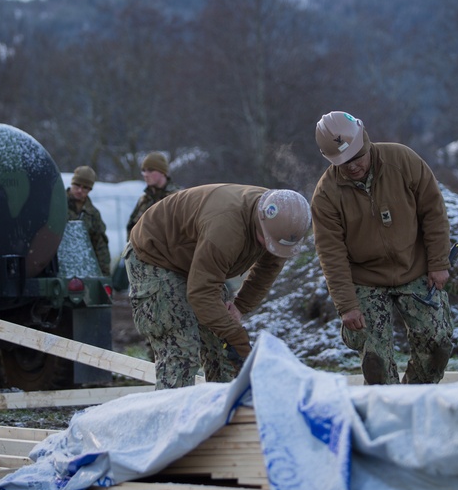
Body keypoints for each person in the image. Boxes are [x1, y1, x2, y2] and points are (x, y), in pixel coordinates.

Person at [310, 111, 453, 385]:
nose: (351, 167)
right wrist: (347, 306)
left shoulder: (403, 160)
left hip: (415, 267)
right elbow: (331, 255)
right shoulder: (326, 195)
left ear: (365, 141)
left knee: (437, 344)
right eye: (343, 162)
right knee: (374, 361)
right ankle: (386, 406)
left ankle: (414, 398)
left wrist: (438, 262)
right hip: (365, 279)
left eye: (356, 158)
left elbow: (433, 211)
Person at [126, 184, 311, 389]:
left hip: (198, 258)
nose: (270, 248)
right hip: (156, 255)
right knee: (182, 349)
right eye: (267, 241)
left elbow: (267, 271)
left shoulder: (283, 222)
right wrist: (237, 337)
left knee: (222, 350)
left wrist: (239, 307)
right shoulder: (226, 228)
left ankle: (225, 412)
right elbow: (201, 294)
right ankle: (173, 416)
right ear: (260, 220)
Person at [67, 166, 111, 276]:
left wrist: (104, 274)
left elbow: (100, 245)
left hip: (85, 268)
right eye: (77, 185)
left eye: (85, 188)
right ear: (72, 184)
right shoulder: (57, 206)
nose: (80, 190)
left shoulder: (93, 214)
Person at [125, 152, 181, 238]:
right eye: (144, 170)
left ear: (163, 172)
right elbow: (131, 230)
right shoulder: (144, 200)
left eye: (151, 170)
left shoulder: (177, 198)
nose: (146, 175)